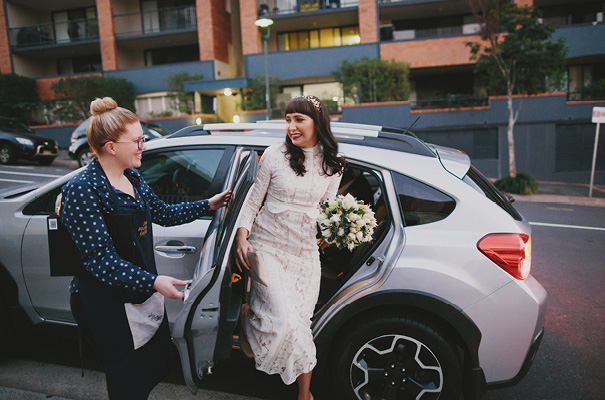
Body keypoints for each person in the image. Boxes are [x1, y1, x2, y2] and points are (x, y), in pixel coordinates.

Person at [60, 97, 231, 399]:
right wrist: (153, 281)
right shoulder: (83, 190)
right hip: (108, 302)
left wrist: (208, 204)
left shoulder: (132, 176)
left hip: (140, 291)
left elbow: (163, 213)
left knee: (154, 362)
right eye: (137, 141)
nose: (143, 146)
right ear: (111, 147)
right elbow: (100, 261)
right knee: (127, 377)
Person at [234, 95, 346, 400]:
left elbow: (327, 211)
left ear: (317, 123)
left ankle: (303, 396)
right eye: (288, 120)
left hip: (305, 255)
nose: (291, 126)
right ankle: (247, 321)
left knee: (299, 327)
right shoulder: (274, 155)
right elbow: (252, 202)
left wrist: (342, 227)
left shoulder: (333, 164)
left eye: (299, 119)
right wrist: (242, 237)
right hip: (267, 247)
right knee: (283, 322)